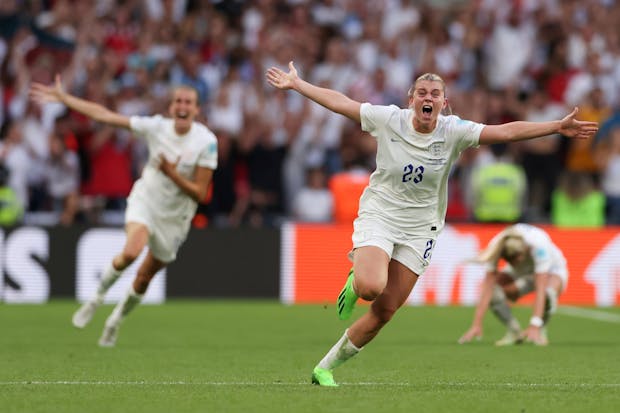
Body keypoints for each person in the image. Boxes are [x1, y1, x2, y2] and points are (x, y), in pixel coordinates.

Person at [266, 61, 598, 386]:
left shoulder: (454, 131)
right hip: (381, 213)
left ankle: (325, 368)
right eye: (422, 92)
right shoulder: (388, 119)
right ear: (411, 99)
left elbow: (507, 131)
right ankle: (356, 282)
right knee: (370, 286)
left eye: (435, 93)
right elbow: (342, 103)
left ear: (443, 102)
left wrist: (555, 126)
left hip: (421, 228)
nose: (428, 98)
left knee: (385, 311)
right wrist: (299, 85)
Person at [30, 75, 218, 347]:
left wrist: (172, 174)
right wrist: (66, 98)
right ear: (171, 107)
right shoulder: (156, 127)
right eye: (178, 101)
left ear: (197, 109)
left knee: (144, 277)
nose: (182, 106)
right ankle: (96, 298)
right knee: (131, 251)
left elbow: (200, 193)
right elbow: (106, 116)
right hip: (146, 201)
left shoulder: (206, 142)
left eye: (188, 102)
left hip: (176, 218)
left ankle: (115, 320)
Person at [458, 223, 569, 347]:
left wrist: (534, 324)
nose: (516, 262)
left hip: (552, 271)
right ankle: (514, 331)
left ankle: (540, 329)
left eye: (518, 259)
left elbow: (540, 289)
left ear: (524, 249)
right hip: (523, 273)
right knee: (495, 291)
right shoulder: (497, 245)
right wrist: (476, 323)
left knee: (548, 293)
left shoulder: (539, 245)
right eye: (511, 261)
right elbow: (487, 287)